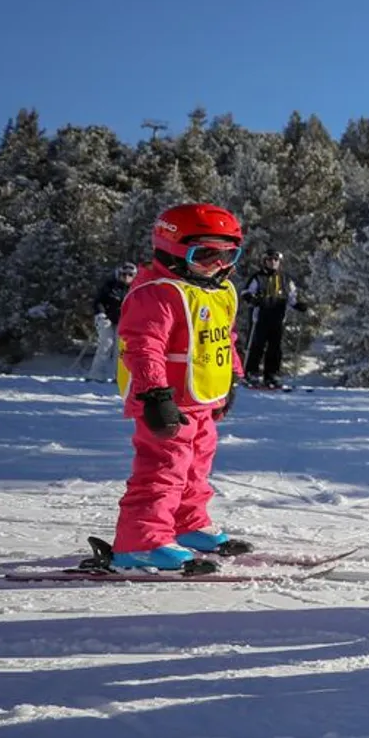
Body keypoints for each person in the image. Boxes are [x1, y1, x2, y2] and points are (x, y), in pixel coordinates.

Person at [110, 204, 245, 570]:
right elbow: (141, 346)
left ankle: (187, 523)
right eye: (204, 256)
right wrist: (155, 395)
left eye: (227, 255)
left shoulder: (220, 291)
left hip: (200, 400)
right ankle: (139, 541)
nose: (217, 265)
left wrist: (231, 377)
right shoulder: (156, 294)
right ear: (170, 250)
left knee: (196, 466)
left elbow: (223, 339)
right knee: (163, 468)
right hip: (165, 401)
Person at [240, 248, 307, 389]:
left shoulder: (284, 278)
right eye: (270, 260)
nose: (273, 262)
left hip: (277, 318)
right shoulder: (258, 277)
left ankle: (271, 375)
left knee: (275, 348)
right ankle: (251, 373)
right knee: (256, 346)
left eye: (276, 260)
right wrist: (254, 299)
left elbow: (291, 297)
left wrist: (299, 305)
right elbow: (246, 293)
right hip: (260, 317)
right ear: (265, 261)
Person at [88, 261, 137, 383]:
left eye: (130, 275)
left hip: (124, 321)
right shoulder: (110, 286)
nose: (126, 277)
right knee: (106, 344)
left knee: (120, 349)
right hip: (107, 319)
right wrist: (100, 314)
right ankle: (96, 375)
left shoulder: (136, 288)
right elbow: (98, 301)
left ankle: (119, 377)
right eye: (124, 274)